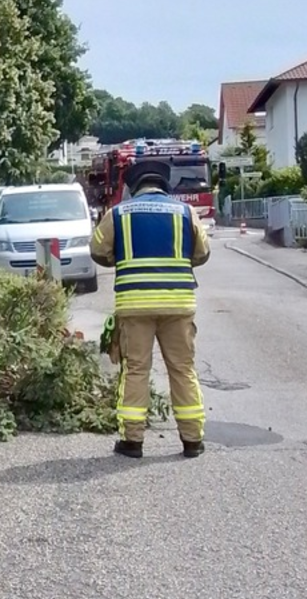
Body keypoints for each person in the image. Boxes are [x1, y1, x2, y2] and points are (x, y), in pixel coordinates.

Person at [90, 159, 212, 459]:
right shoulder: (186, 212)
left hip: (135, 305)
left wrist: (120, 260)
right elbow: (202, 252)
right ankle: (192, 440)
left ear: (134, 186)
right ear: (164, 184)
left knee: (136, 369)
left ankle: (132, 441)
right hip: (178, 304)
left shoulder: (118, 213)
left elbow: (98, 250)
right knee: (182, 369)